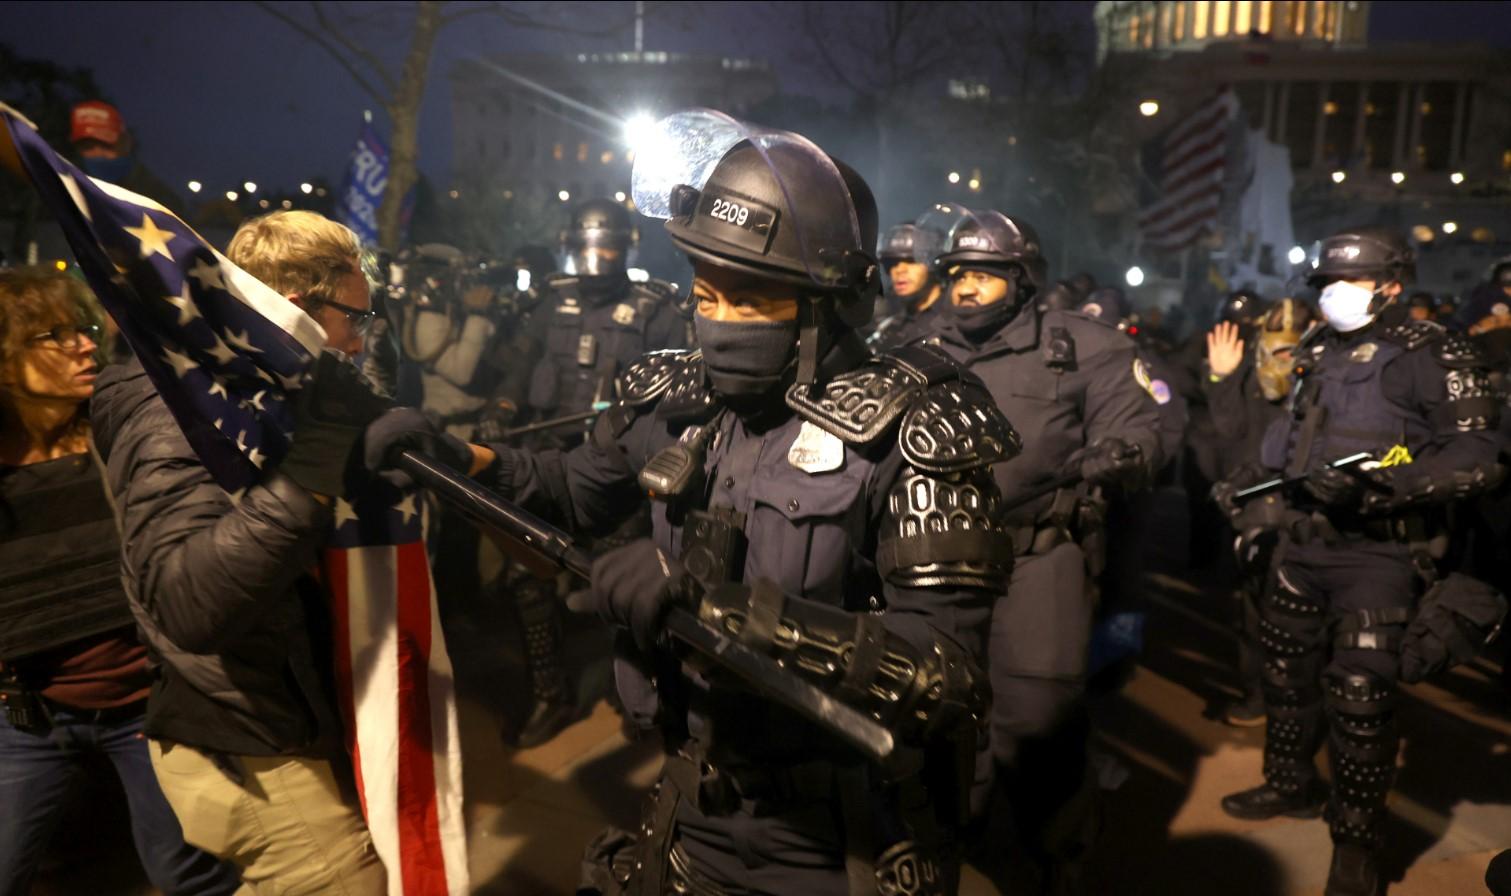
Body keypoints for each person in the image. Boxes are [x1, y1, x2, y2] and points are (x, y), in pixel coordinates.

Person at [374, 110, 1015, 894]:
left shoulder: (911, 427)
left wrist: (728, 613)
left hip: (839, 836)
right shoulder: (678, 397)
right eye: (706, 296)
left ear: (827, 305)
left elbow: (946, 675)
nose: (718, 325)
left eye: (750, 302)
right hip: (691, 799)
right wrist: (462, 457)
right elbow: (571, 488)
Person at [88, 210, 411, 894]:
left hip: (277, 720)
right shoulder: (176, 403)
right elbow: (189, 602)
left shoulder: (260, 389)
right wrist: (318, 462)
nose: (362, 341)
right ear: (296, 309)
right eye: (358, 318)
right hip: (250, 741)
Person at [1214, 228, 1502, 896]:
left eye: (1346, 282)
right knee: (1285, 676)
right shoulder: (1317, 347)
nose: (1330, 295)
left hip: (1378, 552)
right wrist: (1251, 481)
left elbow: (1479, 454)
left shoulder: (1434, 350)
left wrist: (1385, 487)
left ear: (1392, 285)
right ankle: (1289, 784)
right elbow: (1292, 439)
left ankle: (1357, 842)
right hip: (1300, 540)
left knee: (1359, 701)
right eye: (1322, 284)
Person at [923, 206, 1165, 893]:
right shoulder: (918, 345)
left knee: (1036, 724)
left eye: (985, 276)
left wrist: (1124, 451)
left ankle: (1056, 855)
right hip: (930, 561)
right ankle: (950, 845)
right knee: (937, 713)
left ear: (1022, 280)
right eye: (957, 274)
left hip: (1035, 558)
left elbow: (1141, 423)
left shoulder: (1086, 346)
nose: (965, 288)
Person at [0, 267, 241, 895]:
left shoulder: (122, 431)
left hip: (147, 705)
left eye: (83, 327)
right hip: (28, 716)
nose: (84, 344)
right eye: (52, 334)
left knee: (182, 869)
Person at [498, 197, 689, 747]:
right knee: (524, 580)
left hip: (619, 476)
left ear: (627, 246)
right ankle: (550, 696)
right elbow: (520, 364)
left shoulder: (657, 308)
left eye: (607, 246)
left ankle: (641, 697)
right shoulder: (549, 301)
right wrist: (505, 407)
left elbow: (676, 395)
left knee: (622, 588)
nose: (597, 258)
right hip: (550, 461)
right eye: (587, 247)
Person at [1204, 298, 1315, 726]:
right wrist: (1223, 377)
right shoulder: (1247, 379)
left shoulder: (1325, 380)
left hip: (1308, 513)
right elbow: (1229, 429)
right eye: (1276, 349)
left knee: (1306, 618)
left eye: (1292, 350)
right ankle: (1258, 695)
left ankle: (1302, 700)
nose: (1282, 360)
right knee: (1254, 612)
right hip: (1257, 513)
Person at [68, 100, 182, 211]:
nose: (98, 153)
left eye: (107, 145)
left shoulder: (160, 198)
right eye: (87, 146)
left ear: (126, 144)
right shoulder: (65, 191)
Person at [867, 219, 948, 349]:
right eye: (891, 263)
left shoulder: (957, 319)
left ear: (933, 263)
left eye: (911, 260)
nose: (899, 270)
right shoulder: (889, 324)